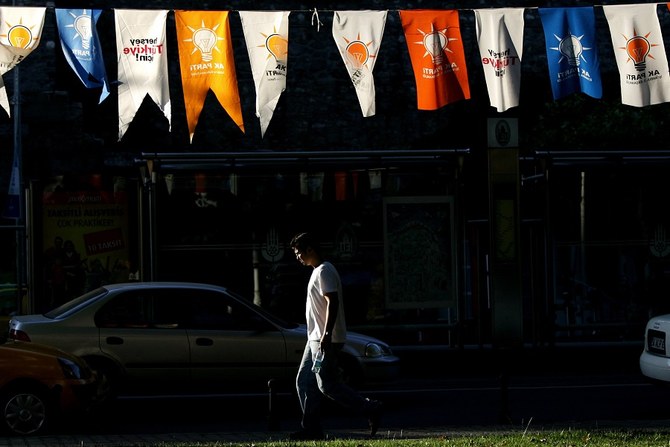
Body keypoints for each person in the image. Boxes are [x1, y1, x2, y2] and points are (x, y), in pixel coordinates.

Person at [289, 232, 382, 440]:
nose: (297, 257)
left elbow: (333, 302)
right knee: (304, 382)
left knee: (326, 385)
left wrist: (326, 334)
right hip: (314, 338)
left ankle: (370, 408)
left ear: (310, 249)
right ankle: (311, 429)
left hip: (323, 339)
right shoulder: (317, 271)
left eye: (298, 252)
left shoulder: (324, 271)